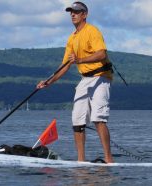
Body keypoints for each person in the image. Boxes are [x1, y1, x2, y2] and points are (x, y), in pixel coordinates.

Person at [36, 1, 114, 163]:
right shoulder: (72, 38)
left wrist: (79, 60)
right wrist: (49, 81)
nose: (72, 14)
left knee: (98, 118)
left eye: (76, 12)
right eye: (71, 11)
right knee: (77, 121)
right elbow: (64, 66)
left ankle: (109, 159)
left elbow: (101, 54)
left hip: (101, 76)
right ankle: (81, 161)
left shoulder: (92, 31)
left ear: (84, 14)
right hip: (85, 79)